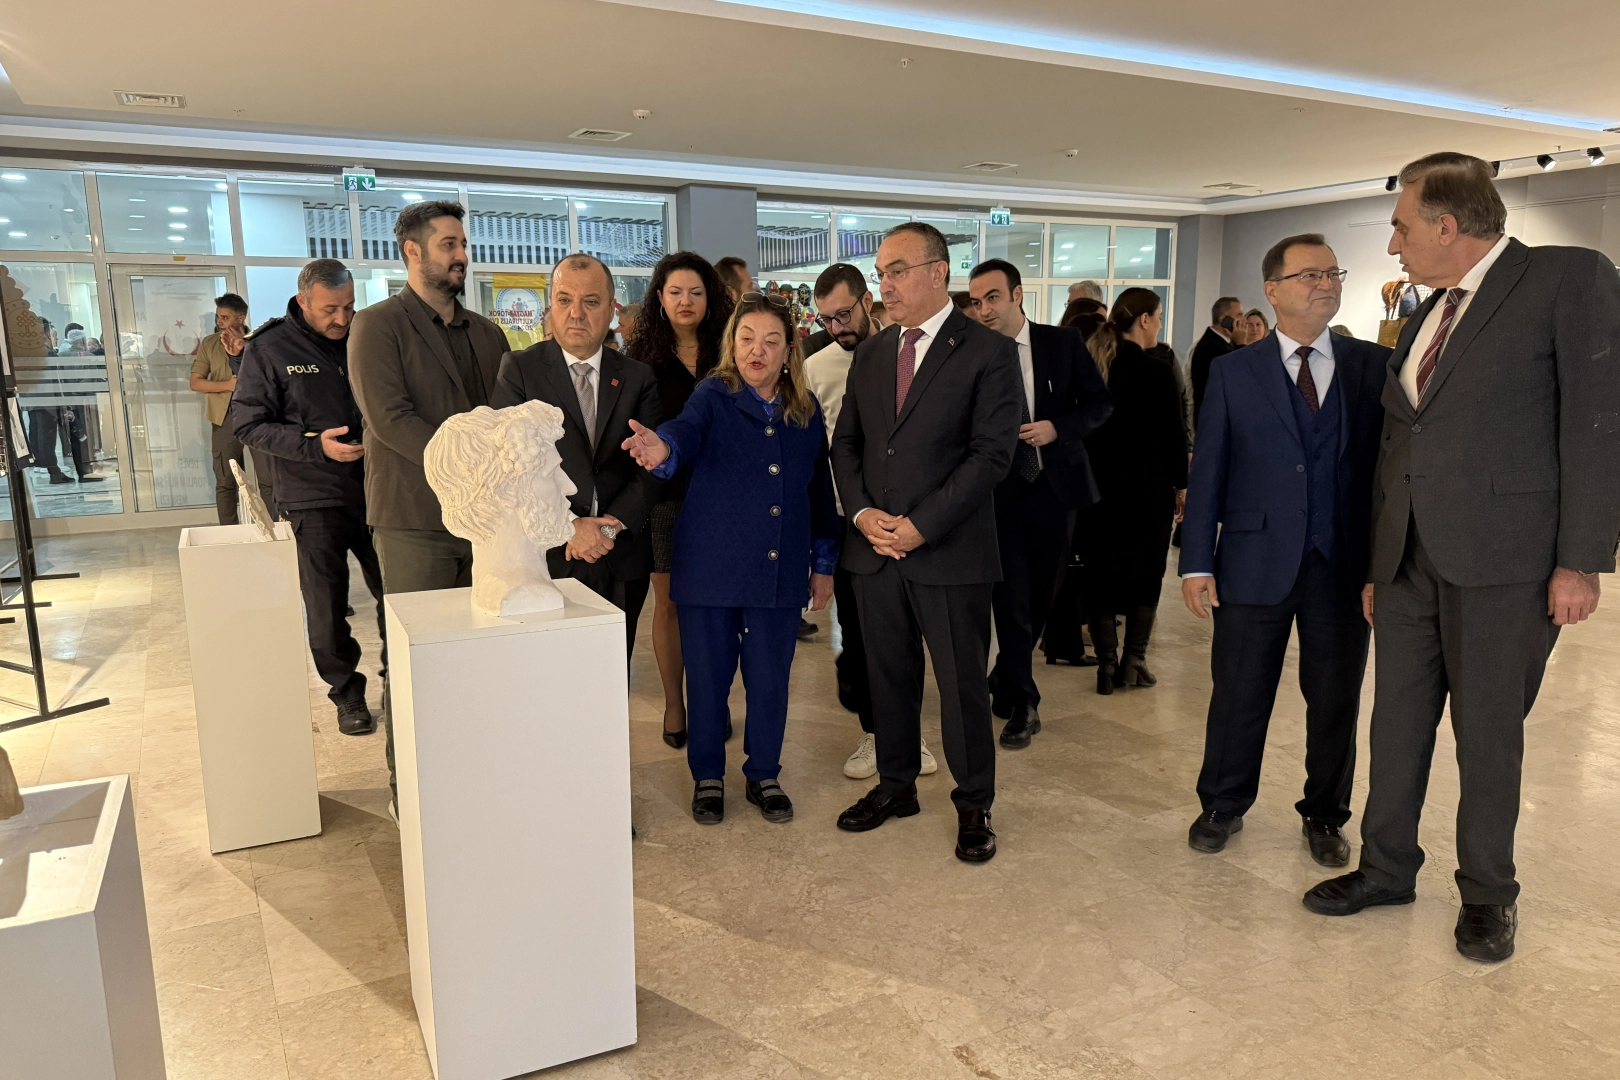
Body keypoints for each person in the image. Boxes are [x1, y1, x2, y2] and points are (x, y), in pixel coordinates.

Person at [1304, 152, 1620, 964]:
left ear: (1447, 226)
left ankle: (1487, 895)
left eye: (1402, 227)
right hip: (1408, 561)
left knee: (1487, 737)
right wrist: (1379, 563)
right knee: (1395, 724)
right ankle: (1386, 869)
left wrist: (1581, 561)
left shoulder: (1567, 279)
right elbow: (1403, 442)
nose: (1393, 243)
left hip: (1505, 561)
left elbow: (1598, 425)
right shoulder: (1425, 315)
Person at [1180, 235, 1390, 863]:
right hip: (1253, 561)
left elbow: (1387, 476)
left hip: (1341, 564)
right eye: (1309, 275)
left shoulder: (1372, 365)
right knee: (1239, 692)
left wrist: (1384, 567)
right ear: (1272, 290)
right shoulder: (1233, 371)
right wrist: (1196, 560)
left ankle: (1325, 814)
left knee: (1334, 699)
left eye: (1332, 273)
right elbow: (1209, 470)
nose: (1325, 283)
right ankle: (1222, 802)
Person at [830, 222, 1023, 863]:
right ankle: (896, 785)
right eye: (881, 273)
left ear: (939, 272)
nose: (884, 285)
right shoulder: (872, 354)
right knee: (888, 677)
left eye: (897, 271)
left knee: (962, 685)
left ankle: (974, 803)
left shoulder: (988, 352)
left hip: (949, 551)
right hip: (875, 551)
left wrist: (919, 525)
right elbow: (848, 444)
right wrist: (863, 514)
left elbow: (991, 455)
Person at [622, 291, 840, 824]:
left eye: (770, 341)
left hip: (777, 570)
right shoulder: (712, 395)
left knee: (769, 682)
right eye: (746, 339)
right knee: (708, 680)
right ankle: (708, 776)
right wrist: (662, 450)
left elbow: (818, 493)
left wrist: (823, 564)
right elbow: (683, 433)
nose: (756, 351)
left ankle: (764, 773)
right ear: (732, 345)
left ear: (788, 350)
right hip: (711, 569)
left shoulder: (804, 412)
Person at [349, 199, 510, 811]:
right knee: (416, 655)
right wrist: (466, 465)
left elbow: (500, 419)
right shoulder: (376, 326)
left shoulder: (488, 334)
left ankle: (473, 780)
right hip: (413, 518)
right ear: (412, 252)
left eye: (462, 244)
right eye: (448, 244)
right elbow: (389, 419)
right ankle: (410, 791)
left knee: (481, 653)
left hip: (485, 522)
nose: (461, 255)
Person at [232, 260, 383, 736]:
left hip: (377, 487)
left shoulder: (368, 334)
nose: (341, 319)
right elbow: (249, 424)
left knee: (397, 590)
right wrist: (314, 446)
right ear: (303, 301)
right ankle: (346, 692)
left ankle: (403, 675)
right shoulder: (269, 346)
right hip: (310, 494)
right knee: (326, 606)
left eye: (349, 307)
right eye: (329, 310)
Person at [491, 254, 663, 667]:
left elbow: (653, 466)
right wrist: (569, 527)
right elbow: (508, 467)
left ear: (611, 308)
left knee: (611, 675)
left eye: (591, 301)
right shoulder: (520, 370)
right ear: (550, 305)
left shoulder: (638, 377)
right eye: (565, 300)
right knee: (550, 675)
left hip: (620, 552)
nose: (576, 313)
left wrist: (609, 525)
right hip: (549, 554)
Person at [967, 258, 1112, 749]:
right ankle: (1025, 704)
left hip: (1055, 489)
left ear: (1017, 294)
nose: (984, 310)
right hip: (1000, 494)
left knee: (1044, 596)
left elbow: (1100, 404)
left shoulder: (1061, 343)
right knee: (1010, 598)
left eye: (992, 297)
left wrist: (1057, 428)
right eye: (976, 301)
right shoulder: (972, 354)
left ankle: (1006, 674)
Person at [805, 263, 939, 781]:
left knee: (910, 634)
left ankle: (908, 732)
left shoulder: (909, 350)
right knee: (861, 635)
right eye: (826, 319)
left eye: (844, 314)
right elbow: (823, 451)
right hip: (850, 523)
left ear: (867, 301)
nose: (837, 327)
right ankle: (875, 733)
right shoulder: (816, 368)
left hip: (912, 520)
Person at [623, 251, 734, 747]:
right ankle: (675, 704)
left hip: (725, 496)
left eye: (695, 291)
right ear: (660, 299)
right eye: (675, 292)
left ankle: (715, 702)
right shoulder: (641, 360)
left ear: (710, 298)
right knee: (667, 604)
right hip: (666, 498)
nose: (685, 301)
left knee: (717, 606)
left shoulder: (731, 351)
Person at [1076, 289, 1187, 694]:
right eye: (1158, 317)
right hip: (1148, 492)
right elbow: (1174, 436)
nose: (1159, 325)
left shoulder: (1092, 365)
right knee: (1147, 575)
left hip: (1097, 491)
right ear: (1143, 320)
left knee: (1100, 575)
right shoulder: (1157, 370)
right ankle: (1133, 661)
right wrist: (1182, 486)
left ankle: (1106, 665)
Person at [191, 293, 260, 520]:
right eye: (218, 317)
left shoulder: (259, 340)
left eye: (225, 317)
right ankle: (229, 532)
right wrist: (227, 385)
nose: (219, 322)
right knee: (225, 481)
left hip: (260, 418)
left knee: (268, 480)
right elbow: (196, 382)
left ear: (240, 318)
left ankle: (274, 531)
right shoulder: (210, 344)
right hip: (225, 418)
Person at [1190, 296, 1245, 425]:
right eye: (1239, 315)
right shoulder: (1213, 347)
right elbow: (1240, 375)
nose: (1244, 320)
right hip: (1215, 419)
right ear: (1224, 320)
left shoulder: (1222, 343)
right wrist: (1241, 344)